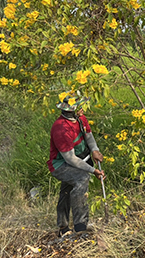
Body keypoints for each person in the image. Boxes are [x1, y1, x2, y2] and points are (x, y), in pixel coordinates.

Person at [47, 93, 105, 236]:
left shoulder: (80, 119)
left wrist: (95, 150)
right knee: (81, 179)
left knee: (67, 190)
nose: (83, 109)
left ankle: (63, 227)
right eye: (80, 107)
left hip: (79, 159)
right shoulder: (61, 128)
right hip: (60, 165)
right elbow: (70, 159)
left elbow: (88, 135)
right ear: (70, 110)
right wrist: (93, 170)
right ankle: (80, 226)